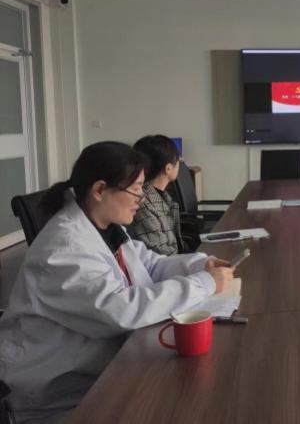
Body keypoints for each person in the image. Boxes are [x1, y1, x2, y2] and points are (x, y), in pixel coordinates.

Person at [0, 141, 235, 423]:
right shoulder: (62, 248)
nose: (142, 199)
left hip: (104, 370)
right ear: (100, 190)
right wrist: (203, 284)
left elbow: (150, 265)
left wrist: (200, 265)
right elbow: (120, 310)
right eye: (135, 189)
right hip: (58, 398)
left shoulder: (105, 227)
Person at [128, 135, 187, 255]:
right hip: (168, 264)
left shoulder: (161, 196)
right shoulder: (143, 205)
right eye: (178, 160)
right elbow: (161, 254)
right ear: (168, 168)